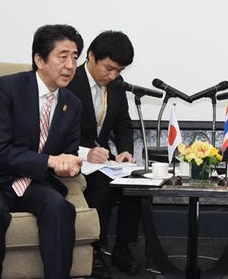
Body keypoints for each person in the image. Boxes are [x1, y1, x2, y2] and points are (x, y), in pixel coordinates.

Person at [0, 24, 84, 279]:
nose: (70, 65)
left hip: (34, 182)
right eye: (63, 55)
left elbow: (68, 152)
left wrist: (70, 164)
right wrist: (51, 160)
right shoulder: (6, 88)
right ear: (39, 59)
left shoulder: (73, 104)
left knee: (58, 206)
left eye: (75, 56)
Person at [67, 30, 140, 276]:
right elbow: (58, 130)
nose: (113, 75)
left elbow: (123, 125)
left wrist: (126, 152)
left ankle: (123, 247)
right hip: (75, 157)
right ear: (91, 56)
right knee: (102, 186)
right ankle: (95, 249)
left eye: (118, 71)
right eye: (108, 68)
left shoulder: (117, 86)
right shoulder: (69, 80)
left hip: (103, 159)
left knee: (137, 184)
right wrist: (87, 153)